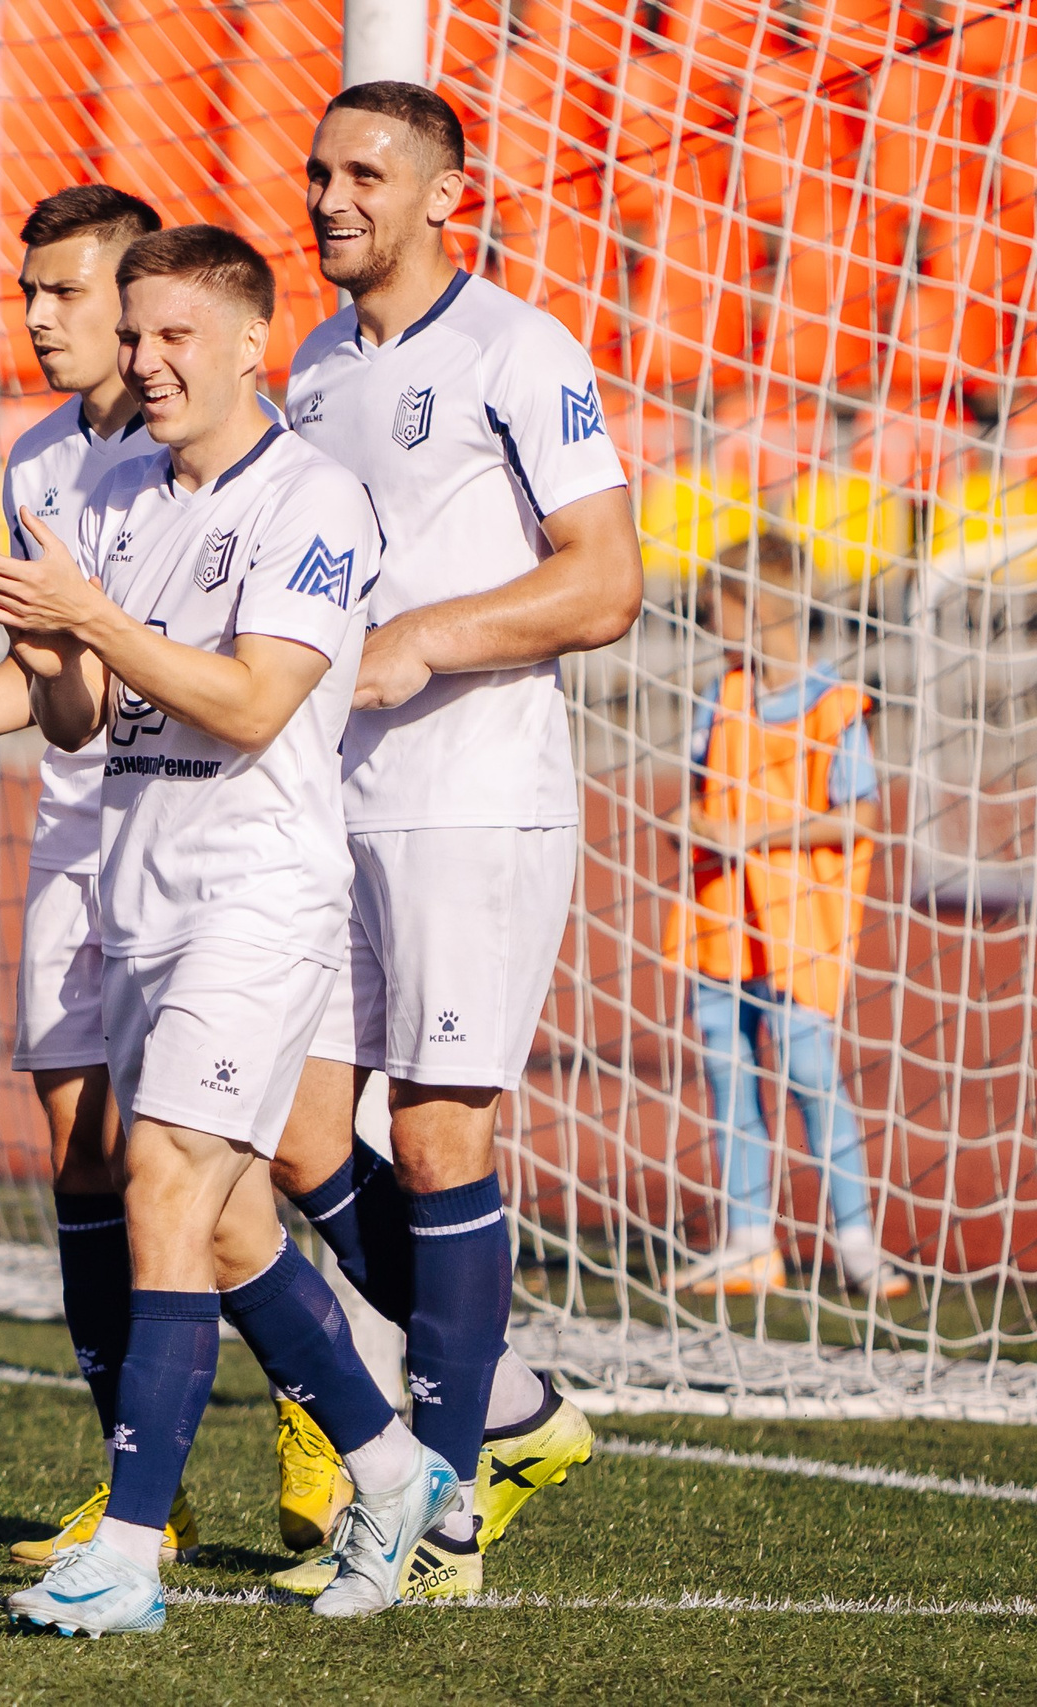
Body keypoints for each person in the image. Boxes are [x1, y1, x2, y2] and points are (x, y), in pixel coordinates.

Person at [0, 224, 454, 1633]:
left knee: (165, 1182)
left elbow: (249, 704)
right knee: (231, 1224)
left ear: (255, 342)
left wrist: (92, 619)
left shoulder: (314, 495)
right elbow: (80, 716)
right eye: (134, 335)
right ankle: (394, 1462)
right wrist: (49, 643)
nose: (145, 360)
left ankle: (129, 1546)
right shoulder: (111, 490)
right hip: (138, 885)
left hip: (258, 887)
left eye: (175, 335)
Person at [269, 81, 645, 1601]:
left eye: (368, 172)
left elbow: (604, 580)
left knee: (436, 1133)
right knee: (295, 1130)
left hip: (471, 790)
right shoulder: (304, 364)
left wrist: (427, 636)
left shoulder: (516, 346)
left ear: (446, 195)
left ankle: (446, 1509)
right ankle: (503, 1401)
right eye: (319, 171)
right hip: (328, 793)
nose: (334, 196)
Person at [0, 182, 203, 1570]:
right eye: (33, 293)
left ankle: (330, 1427)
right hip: (76, 834)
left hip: (206, 835)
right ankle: (140, 1478)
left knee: (219, 1166)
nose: (46, 318)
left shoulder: (229, 453)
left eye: (70, 293)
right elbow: (45, 687)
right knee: (82, 1148)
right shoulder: (31, 461)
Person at [667, 534, 901, 1301]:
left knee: (811, 1078)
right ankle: (747, 1240)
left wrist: (758, 836)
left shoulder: (835, 705)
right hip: (720, 921)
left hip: (798, 927)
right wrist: (696, 823)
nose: (705, 614)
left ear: (756, 607)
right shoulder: (722, 693)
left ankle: (857, 1239)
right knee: (729, 1078)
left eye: (717, 602)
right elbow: (703, 800)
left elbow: (861, 813)